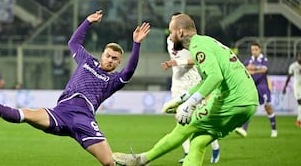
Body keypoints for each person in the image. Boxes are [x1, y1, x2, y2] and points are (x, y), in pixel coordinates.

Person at [0, 10, 151, 166]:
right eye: (108, 55)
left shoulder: (113, 80)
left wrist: (136, 44)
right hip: (62, 112)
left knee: (108, 163)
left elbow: (129, 71)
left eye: (114, 59)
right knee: (26, 114)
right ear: (103, 54)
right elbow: (73, 43)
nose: (110, 60)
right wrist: (87, 21)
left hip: (84, 119)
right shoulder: (87, 61)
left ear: (119, 61)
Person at [112, 13, 258, 166]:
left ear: (180, 32)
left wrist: (190, 105)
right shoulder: (206, 42)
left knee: (184, 127)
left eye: (171, 32)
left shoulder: (197, 46)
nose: (169, 36)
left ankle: (141, 160)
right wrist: (180, 100)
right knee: (198, 141)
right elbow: (207, 80)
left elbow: (216, 78)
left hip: (233, 100)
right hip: (248, 103)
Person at [161, 35, 220, 164]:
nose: (170, 32)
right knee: (179, 118)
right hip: (177, 84)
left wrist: (177, 63)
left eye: (173, 28)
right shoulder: (169, 41)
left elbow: (196, 60)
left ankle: (215, 147)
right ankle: (187, 152)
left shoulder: (191, 42)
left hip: (193, 83)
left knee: (201, 119)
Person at [235, 42, 277, 138]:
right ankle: (244, 130)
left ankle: (274, 129)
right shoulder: (248, 60)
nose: (254, 51)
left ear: (260, 50)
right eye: (252, 49)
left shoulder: (264, 59)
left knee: (268, 107)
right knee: (250, 107)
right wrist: (253, 70)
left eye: (256, 49)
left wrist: (253, 69)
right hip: (252, 87)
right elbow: (244, 70)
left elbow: (264, 69)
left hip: (263, 87)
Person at [282, 52, 301, 127]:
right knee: (300, 103)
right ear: (297, 57)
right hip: (297, 88)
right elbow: (289, 77)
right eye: (300, 56)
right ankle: (299, 120)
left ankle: (299, 120)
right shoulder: (293, 66)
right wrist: (284, 87)